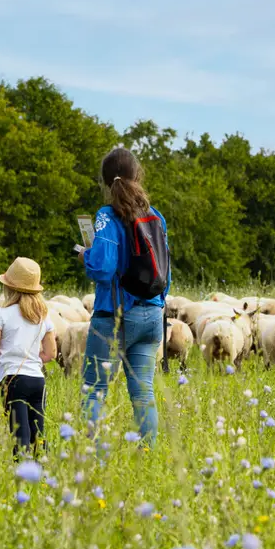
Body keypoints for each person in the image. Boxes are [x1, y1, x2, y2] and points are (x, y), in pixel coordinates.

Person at [80, 147, 170, 444]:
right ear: (137, 174)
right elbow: (164, 269)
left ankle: (96, 458)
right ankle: (149, 455)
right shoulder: (155, 216)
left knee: (95, 390)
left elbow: (104, 269)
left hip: (115, 314)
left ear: (106, 181)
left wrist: (86, 257)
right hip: (152, 313)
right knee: (143, 391)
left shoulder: (107, 216)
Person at [0, 257, 57, 453]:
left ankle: (22, 476)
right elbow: (51, 353)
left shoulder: (2, 314)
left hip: (13, 380)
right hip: (37, 380)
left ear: (9, 287)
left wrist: (9, 358)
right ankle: (43, 470)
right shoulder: (43, 316)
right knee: (38, 433)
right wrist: (33, 359)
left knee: (20, 435)